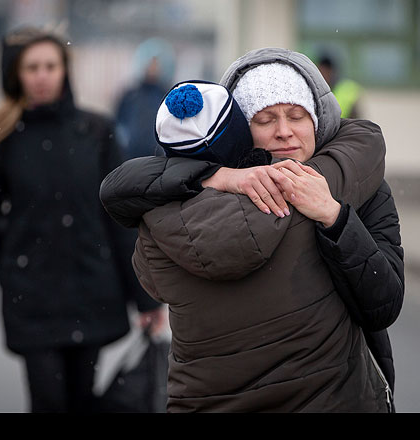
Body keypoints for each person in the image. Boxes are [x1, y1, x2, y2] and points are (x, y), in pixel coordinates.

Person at [100, 47, 404, 412]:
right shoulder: (205, 195)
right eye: (264, 119)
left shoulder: (362, 190)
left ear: (317, 120)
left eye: (296, 115)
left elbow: (383, 304)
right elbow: (121, 185)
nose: (284, 132)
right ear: (240, 131)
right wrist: (216, 175)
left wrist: (335, 218)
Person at [0, 26, 164, 413]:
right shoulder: (1, 139)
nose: (42, 76)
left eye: (50, 66)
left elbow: (123, 221)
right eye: (32, 67)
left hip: (91, 289)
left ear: (64, 70)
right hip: (32, 295)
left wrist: (147, 298)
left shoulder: (96, 131)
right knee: (49, 400)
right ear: (17, 74)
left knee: (81, 400)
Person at [114, 38, 176, 160]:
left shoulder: (168, 95)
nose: (153, 68)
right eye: (150, 63)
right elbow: (118, 124)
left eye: (157, 63)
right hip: (131, 156)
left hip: (159, 158)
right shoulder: (130, 95)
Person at [317, 53, 363, 119]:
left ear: (332, 71)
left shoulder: (347, 90)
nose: (322, 74)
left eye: (325, 71)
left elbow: (357, 121)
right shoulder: (314, 89)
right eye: (320, 71)